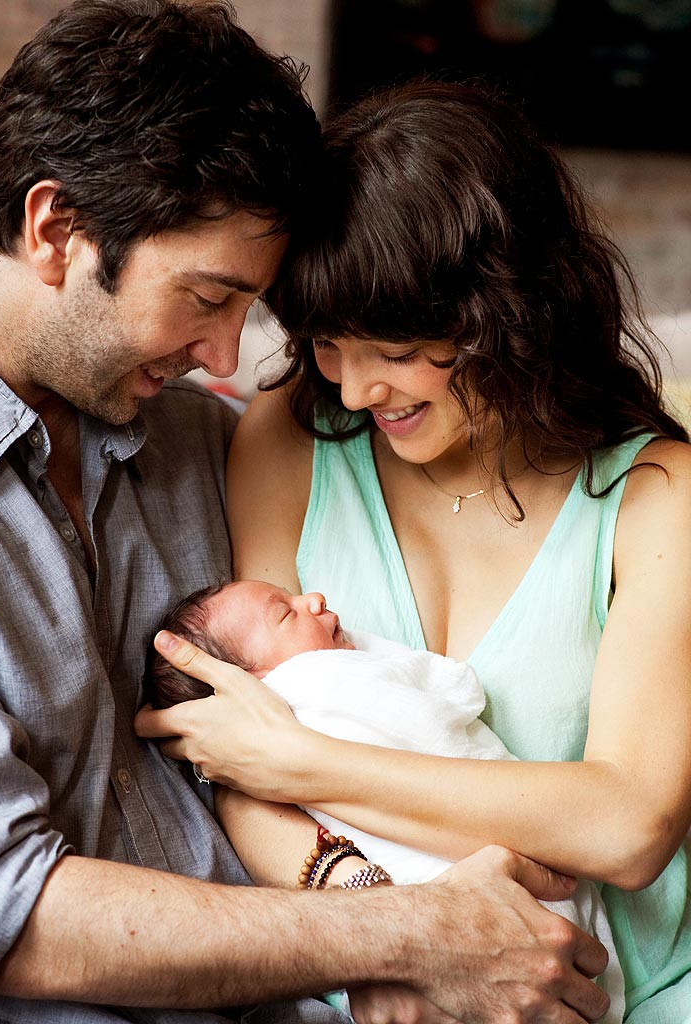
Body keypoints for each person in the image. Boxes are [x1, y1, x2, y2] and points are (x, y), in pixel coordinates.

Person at [0, 3, 613, 1023]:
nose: (223, 357)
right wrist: (417, 934)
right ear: (55, 229)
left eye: (248, 311)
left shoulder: (210, 441)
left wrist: (351, 890)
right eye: (207, 299)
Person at [134, 80, 691, 1023]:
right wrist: (384, 941)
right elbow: (232, 765)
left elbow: (626, 825)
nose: (353, 391)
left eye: (390, 349)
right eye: (326, 346)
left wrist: (306, 765)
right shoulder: (291, 439)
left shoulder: (657, 500)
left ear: (504, 310)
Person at [147, 578, 625, 1021]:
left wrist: (300, 763)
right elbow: (454, 693)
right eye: (285, 614)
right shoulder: (320, 684)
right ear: (250, 683)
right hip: (445, 893)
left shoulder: (269, 733)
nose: (312, 600)